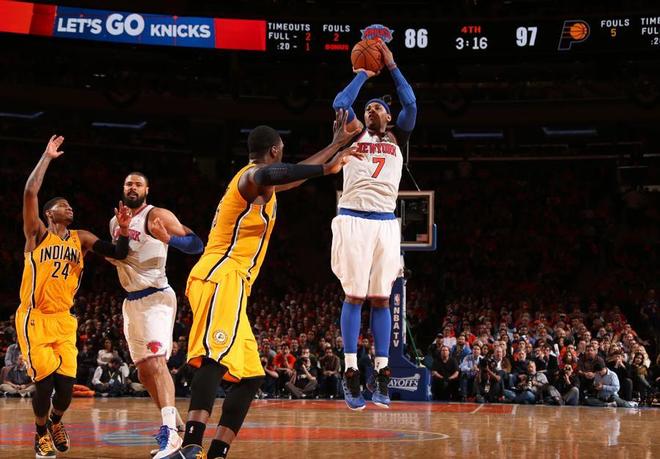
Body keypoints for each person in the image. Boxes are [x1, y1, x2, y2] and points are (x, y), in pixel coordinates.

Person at [164, 111, 360, 459]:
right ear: (275, 150)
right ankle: (191, 446)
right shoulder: (249, 177)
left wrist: (334, 146)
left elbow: (289, 176)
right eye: (281, 153)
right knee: (213, 357)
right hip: (221, 275)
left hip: (233, 283)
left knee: (252, 376)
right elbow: (271, 173)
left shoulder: (264, 187)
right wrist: (325, 169)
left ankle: (217, 452)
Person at [16, 135, 132, 458]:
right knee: (44, 385)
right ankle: (40, 433)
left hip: (64, 320)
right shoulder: (37, 234)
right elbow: (29, 192)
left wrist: (124, 230)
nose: (70, 207)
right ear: (49, 213)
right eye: (63, 205)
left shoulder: (80, 238)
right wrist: (47, 157)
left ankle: (55, 421)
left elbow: (118, 253)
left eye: (70, 205)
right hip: (35, 318)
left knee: (66, 391)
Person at [331, 39, 417, 410]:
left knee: (382, 298)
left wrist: (392, 66)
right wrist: (364, 74)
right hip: (353, 217)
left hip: (385, 222)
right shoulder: (355, 133)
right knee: (354, 295)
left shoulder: (398, 136)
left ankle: (381, 373)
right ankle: (350, 370)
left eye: (378, 107)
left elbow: (411, 104)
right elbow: (340, 103)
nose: (371, 111)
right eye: (368, 108)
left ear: (389, 116)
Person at [107, 170, 204, 458]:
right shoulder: (115, 222)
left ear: (147, 190)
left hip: (156, 296)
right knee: (143, 371)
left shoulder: (156, 215)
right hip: (131, 301)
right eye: (128, 183)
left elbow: (196, 244)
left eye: (138, 184)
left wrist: (169, 239)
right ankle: (178, 426)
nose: (132, 187)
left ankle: (170, 434)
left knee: (157, 363)